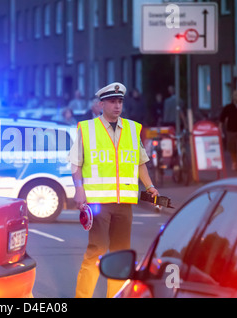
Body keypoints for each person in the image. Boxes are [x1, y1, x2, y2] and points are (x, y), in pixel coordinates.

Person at [69, 82, 159, 298]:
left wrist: (150, 187)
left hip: (124, 204)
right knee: (96, 252)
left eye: (120, 101)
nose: (117, 106)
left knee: (119, 257)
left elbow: (140, 163)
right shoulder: (87, 129)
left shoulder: (131, 128)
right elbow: (76, 163)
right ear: (101, 104)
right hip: (98, 203)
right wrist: (79, 189)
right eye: (112, 102)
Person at [219, 90, 237, 171]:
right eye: (235, 95)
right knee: (232, 148)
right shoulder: (228, 107)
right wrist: (220, 129)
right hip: (231, 131)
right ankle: (234, 162)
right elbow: (222, 119)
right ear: (232, 97)